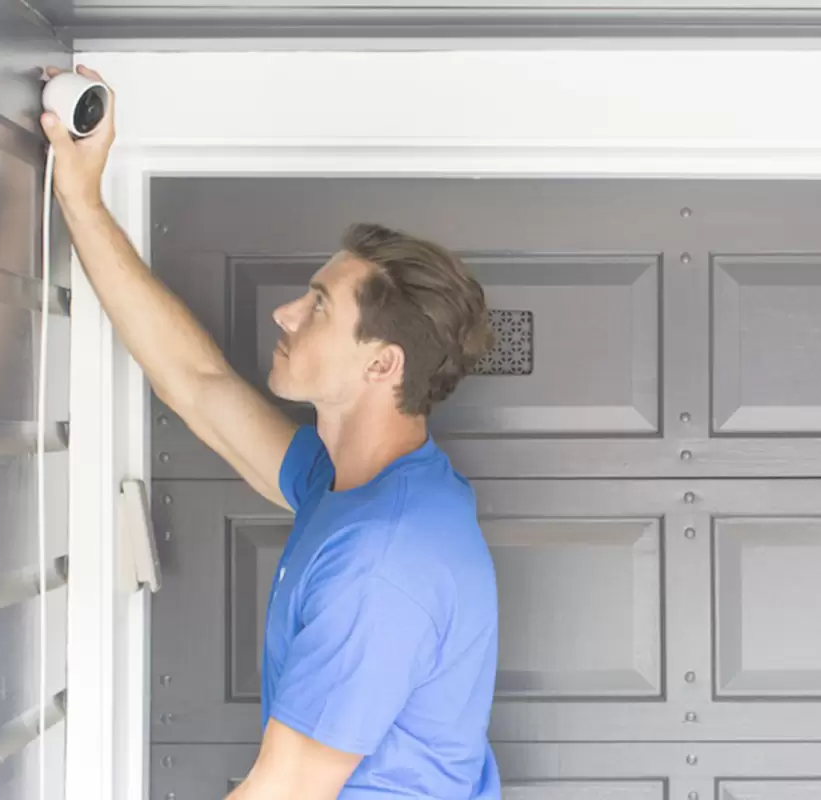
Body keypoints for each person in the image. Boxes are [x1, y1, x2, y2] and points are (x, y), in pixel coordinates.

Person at [40, 66, 502, 800]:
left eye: (318, 306)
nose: (286, 315)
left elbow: (283, 791)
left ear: (382, 363)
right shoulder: (351, 480)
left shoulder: (384, 560)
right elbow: (198, 385)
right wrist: (81, 197)